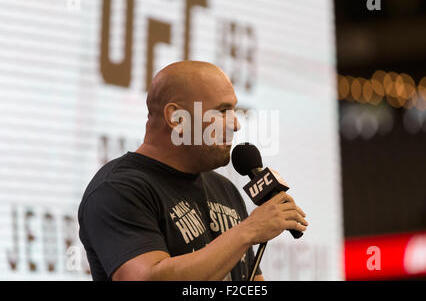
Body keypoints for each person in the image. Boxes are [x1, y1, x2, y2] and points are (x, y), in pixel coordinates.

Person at [77, 61, 308, 281]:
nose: (235, 124)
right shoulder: (119, 189)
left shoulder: (223, 188)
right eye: (222, 111)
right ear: (176, 118)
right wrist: (249, 231)